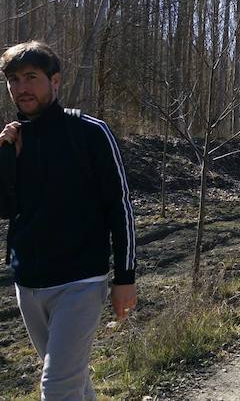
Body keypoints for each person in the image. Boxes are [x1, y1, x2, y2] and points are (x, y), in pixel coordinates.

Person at [0, 41, 137, 399]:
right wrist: (5, 160)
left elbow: (119, 205)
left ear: (55, 81)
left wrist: (125, 278)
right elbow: (5, 209)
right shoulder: (14, 140)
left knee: (57, 386)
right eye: (13, 80)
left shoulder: (90, 132)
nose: (21, 88)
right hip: (28, 285)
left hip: (80, 283)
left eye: (31, 77)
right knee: (72, 383)